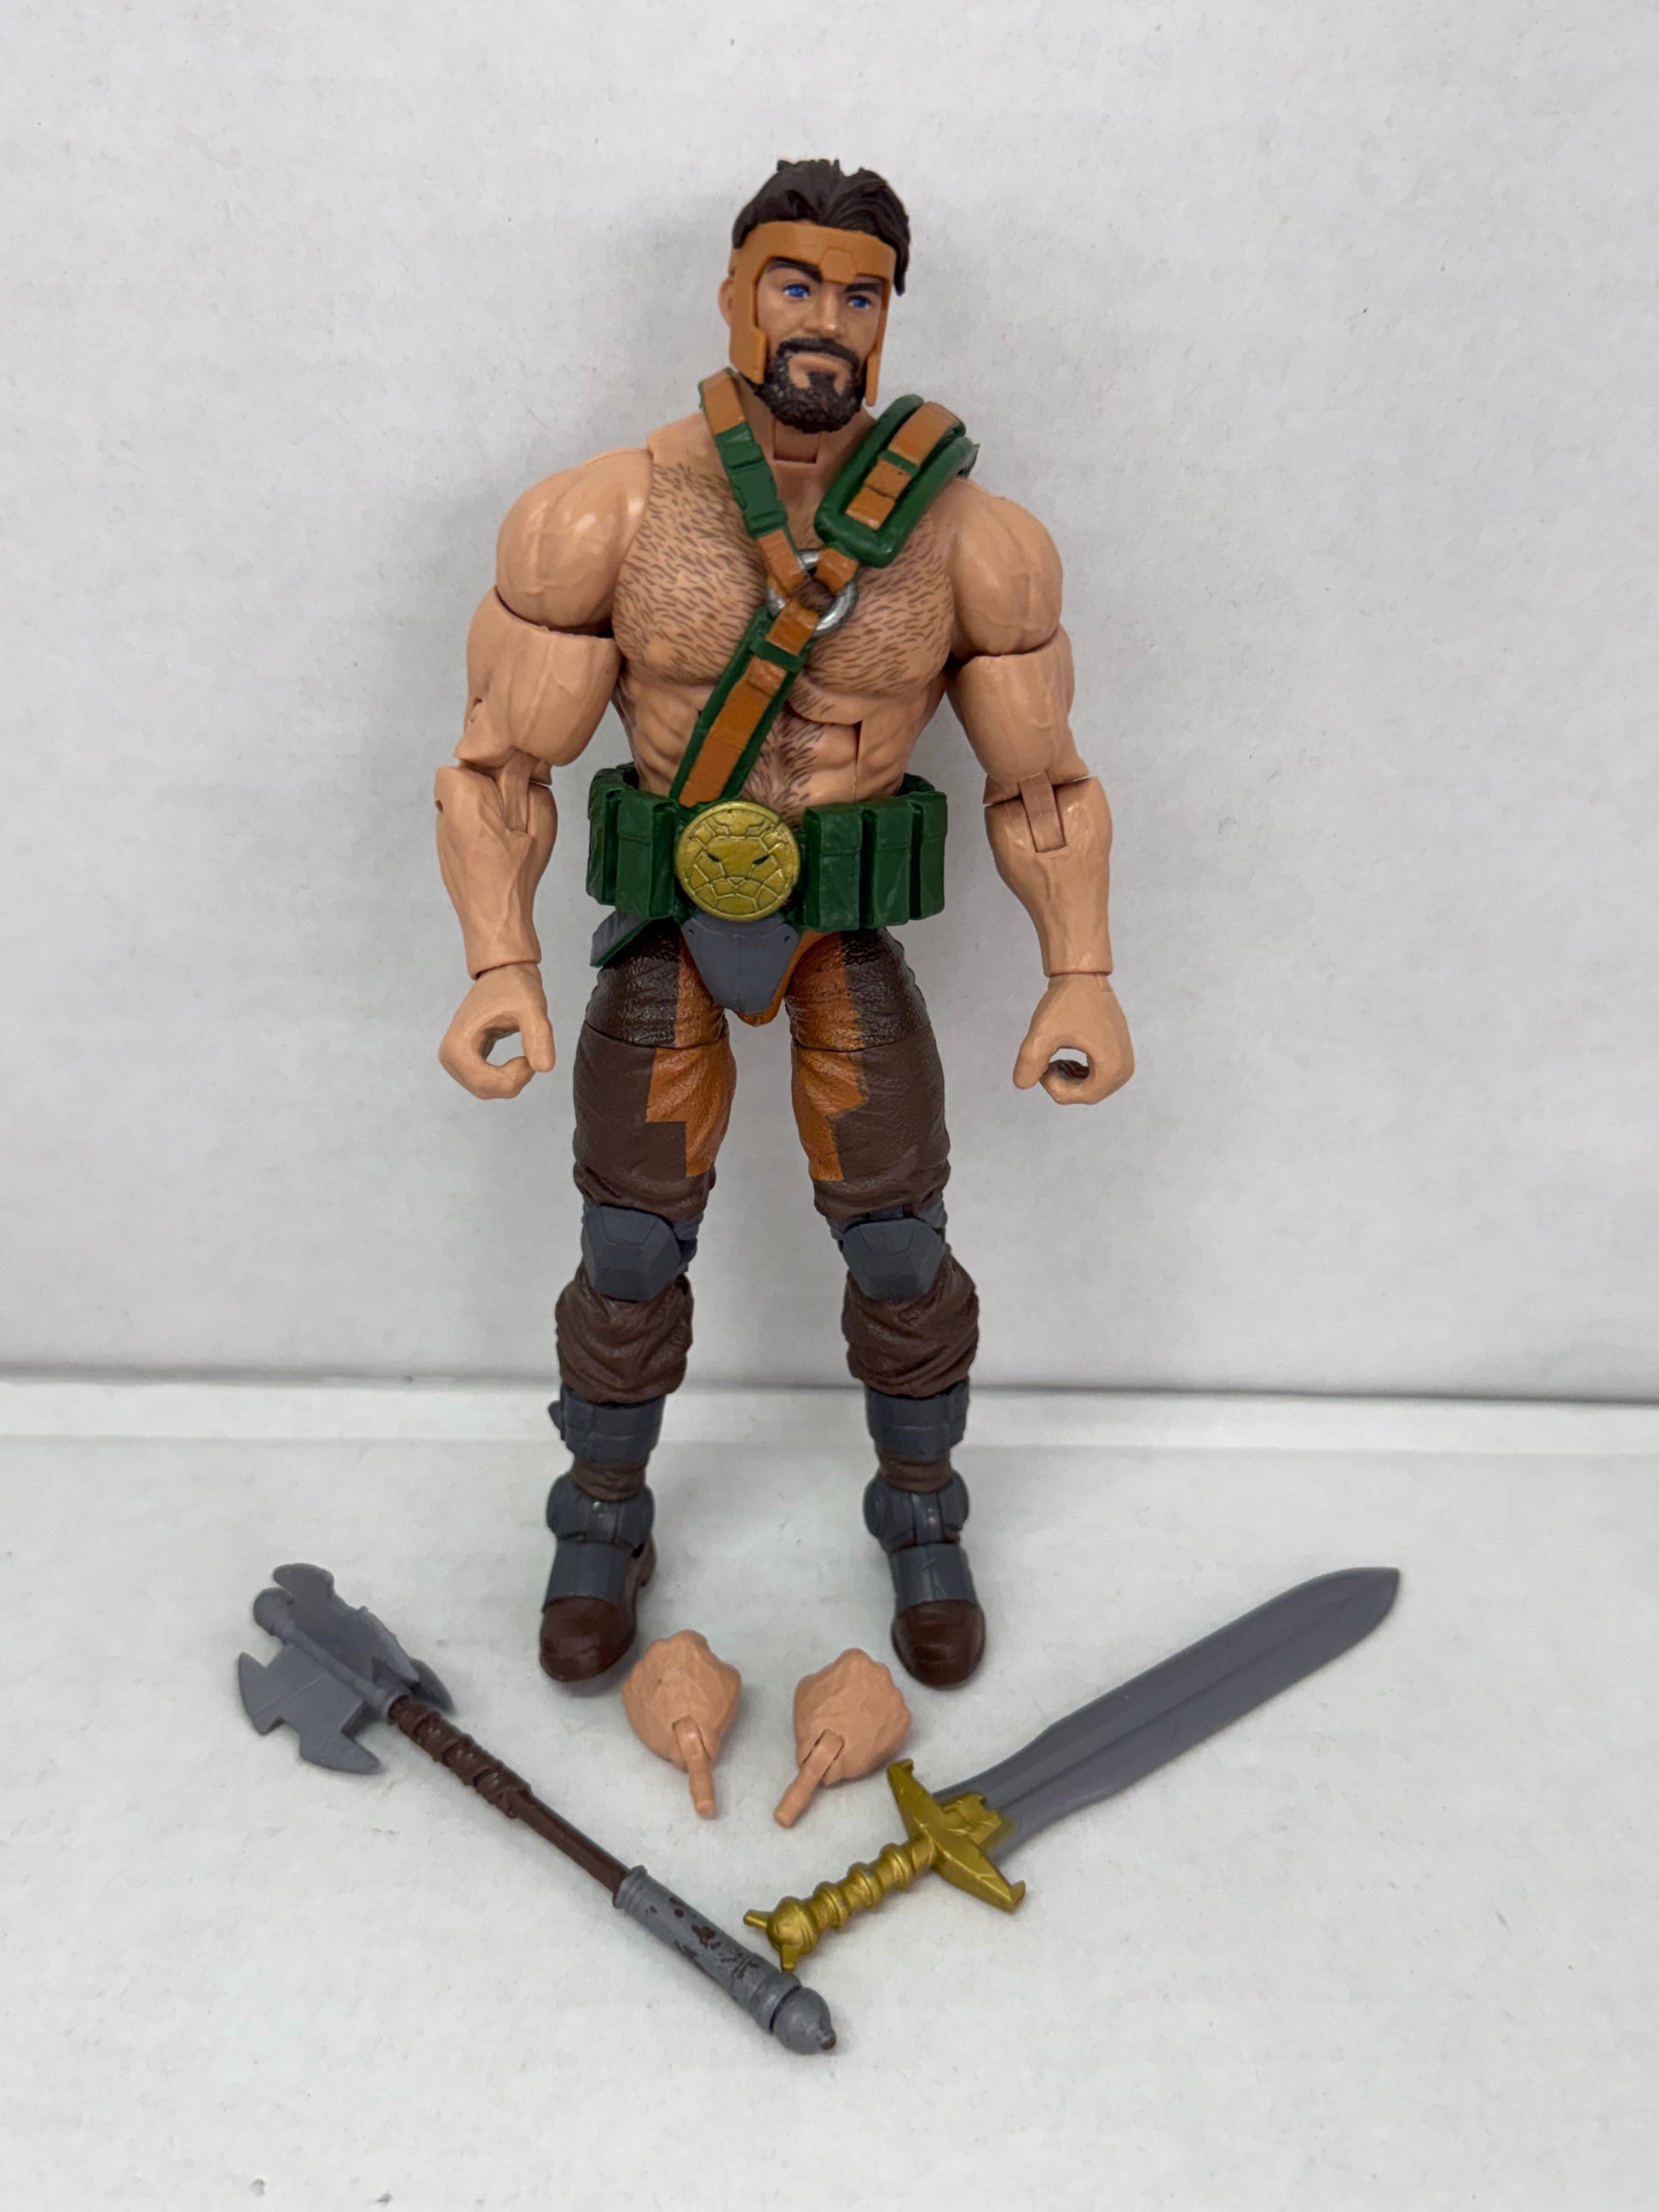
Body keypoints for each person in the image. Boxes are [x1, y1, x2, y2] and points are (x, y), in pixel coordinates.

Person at [435, 159, 1134, 1692]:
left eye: (859, 294)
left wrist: (1078, 971)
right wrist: (501, 960)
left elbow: (1042, 782)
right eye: (795, 283)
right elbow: (498, 769)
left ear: (889, 315)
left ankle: (921, 1508)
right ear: (734, 295)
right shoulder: (601, 514)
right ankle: (599, 1514)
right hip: (670, 921)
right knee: (628, 1241)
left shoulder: (974, 540)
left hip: (842, 930)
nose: (825, 319)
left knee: (897, 1241)